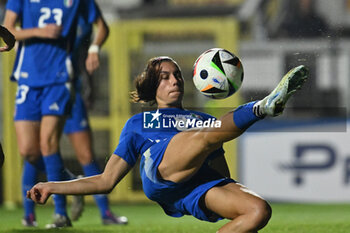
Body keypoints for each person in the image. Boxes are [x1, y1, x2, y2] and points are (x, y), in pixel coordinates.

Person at [27, 56, 309, 233]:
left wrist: (230, 193)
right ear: (152, 86)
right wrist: (51, 187)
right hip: (161, 173)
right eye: (164, 77)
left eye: (177, 75)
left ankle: (262, 108)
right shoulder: (140, 123)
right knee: (203, 133)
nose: (174, 80)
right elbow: (106, 180)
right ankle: (262, 107)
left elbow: (220, 175)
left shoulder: (200, 120)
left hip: (195, 186)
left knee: (258, 211)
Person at [4, 0, 103, 228]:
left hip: (59, 79)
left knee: (49, 144)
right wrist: (38, 31)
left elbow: (101, 25)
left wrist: (94, 48)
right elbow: (7, 28)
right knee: (28, 151)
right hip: (28, 80)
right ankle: (71, 183)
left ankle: (60, 214)